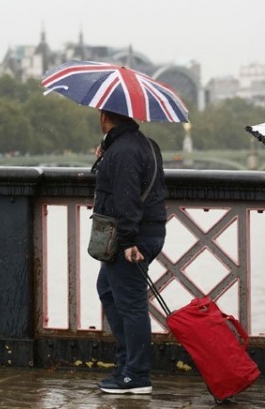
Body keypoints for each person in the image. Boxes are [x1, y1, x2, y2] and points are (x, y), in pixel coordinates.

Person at [92, 110, 167, 395]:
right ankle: (127, 364)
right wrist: (105, 154)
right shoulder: (143, 144)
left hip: (132, 238)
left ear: (105, 117)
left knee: (131, 304)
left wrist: (127, 242)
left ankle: (136, 374)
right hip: (145, 231)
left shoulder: (124, 151)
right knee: (108, 290)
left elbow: (127, 199)